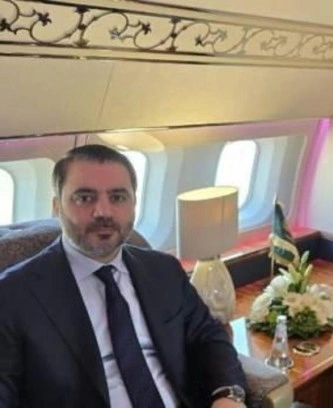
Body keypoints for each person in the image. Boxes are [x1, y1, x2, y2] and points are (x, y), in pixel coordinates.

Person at [0, 144, 248, 408]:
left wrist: (228, 395)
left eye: (118, 197)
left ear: (134, 205)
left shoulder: (162, 270)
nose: (103, 212)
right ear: (56, 207)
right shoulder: (14, 294)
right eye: (84, 198)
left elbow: (207, 335)